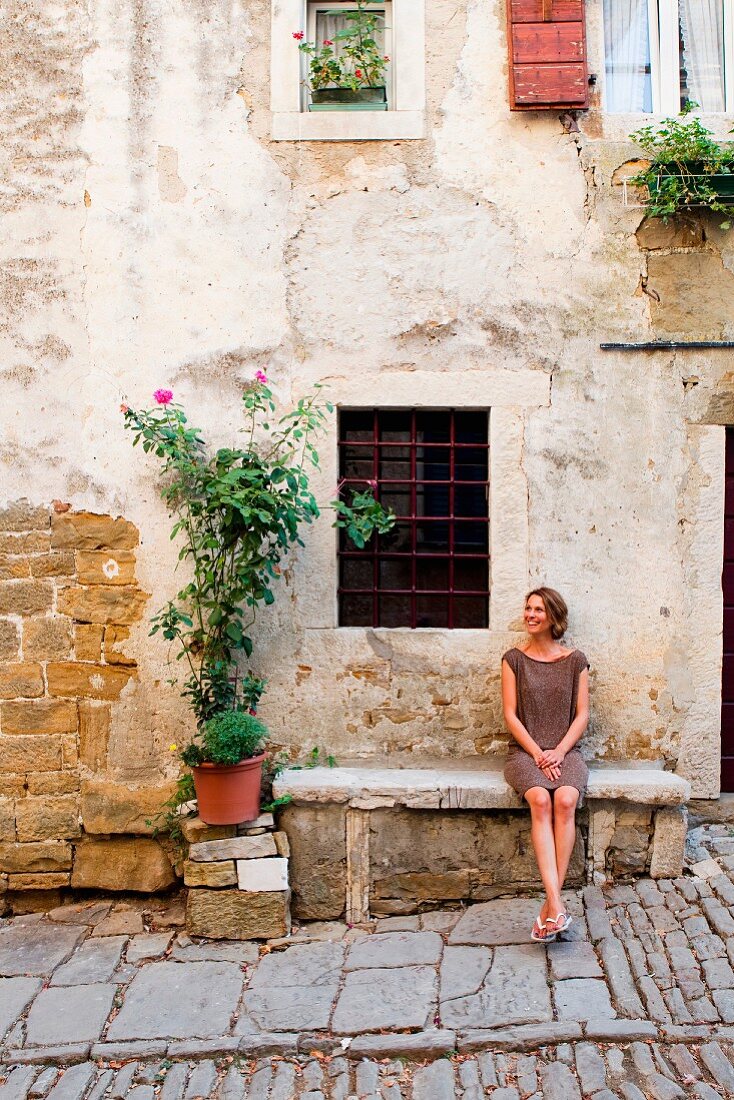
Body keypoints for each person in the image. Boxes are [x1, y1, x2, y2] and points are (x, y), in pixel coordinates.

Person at [501, 587, 590, 943]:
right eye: (528, 608)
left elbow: (582, 715)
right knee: (540, 799)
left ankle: (549, 910)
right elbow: (510, 715)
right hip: (524, 752)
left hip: (566, 752)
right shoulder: (513, 659)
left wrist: (559, 751)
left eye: (538, 609)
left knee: (566, 799)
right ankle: (556, 903)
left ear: (553, 617)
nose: (530, 615)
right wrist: (539, 753)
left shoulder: (576, 660)